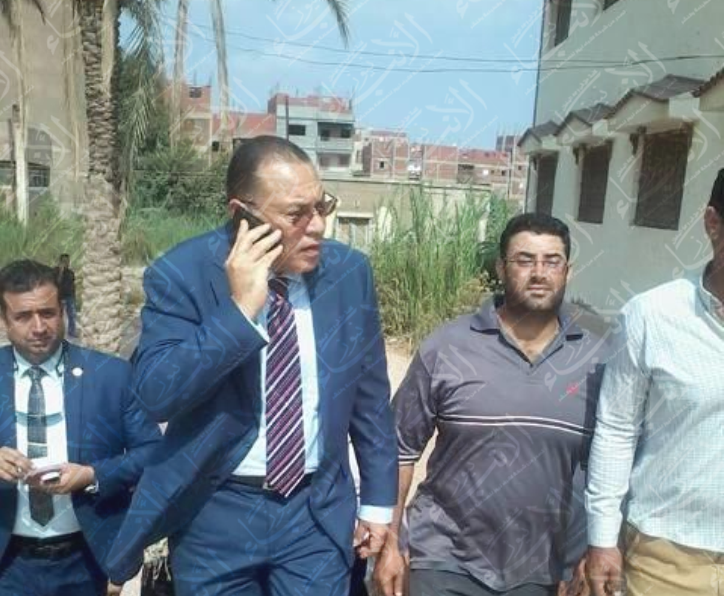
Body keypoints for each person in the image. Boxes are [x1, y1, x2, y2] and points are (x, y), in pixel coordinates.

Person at [106, 136, 398, 595]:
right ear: (242, 213)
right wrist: (239, 312)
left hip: (315, 513)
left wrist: (378, 507)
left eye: (322, 206)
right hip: (215, 512)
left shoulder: (347, 273)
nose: (318, 226)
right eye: (296, 214)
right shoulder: (182, 273)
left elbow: (371, 401)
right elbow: (156, 394)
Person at [375, 213, 611, 596]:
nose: (539, 273)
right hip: (443, 559)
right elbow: (398, 448)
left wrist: (594, 550)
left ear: (568, 271)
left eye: (552, 261)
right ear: (501, 268)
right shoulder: (448, 347)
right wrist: (390, 542)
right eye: (524, 260)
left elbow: (611, 465)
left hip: (542, 571)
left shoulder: (597, 360)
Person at [585, 170, 724, 596]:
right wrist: (602, 539)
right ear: (713, 223)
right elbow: (617, 428)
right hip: (669, 558)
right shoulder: (653, 316)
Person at [0, 260, 162, 596]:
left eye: (47, 313)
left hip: (84, 560)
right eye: (24, 316)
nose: (39, 327)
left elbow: (153, 452)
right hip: (8, 563)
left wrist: (92, 475)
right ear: (4, 320)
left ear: (62, 310)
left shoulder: (110, 376)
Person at [54, 254, 77, 338]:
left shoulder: (71, 273)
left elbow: (72, 285)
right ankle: (57, 332)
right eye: (64, 261)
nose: (66, 263)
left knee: (72, 315)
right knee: (58, 315)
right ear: (60, 262)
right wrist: (61, 272)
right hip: (59, 296)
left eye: (67, 261)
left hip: (69, 296)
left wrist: (74, 296)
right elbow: (57, 282)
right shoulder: (55, 271)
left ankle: (72, 332)